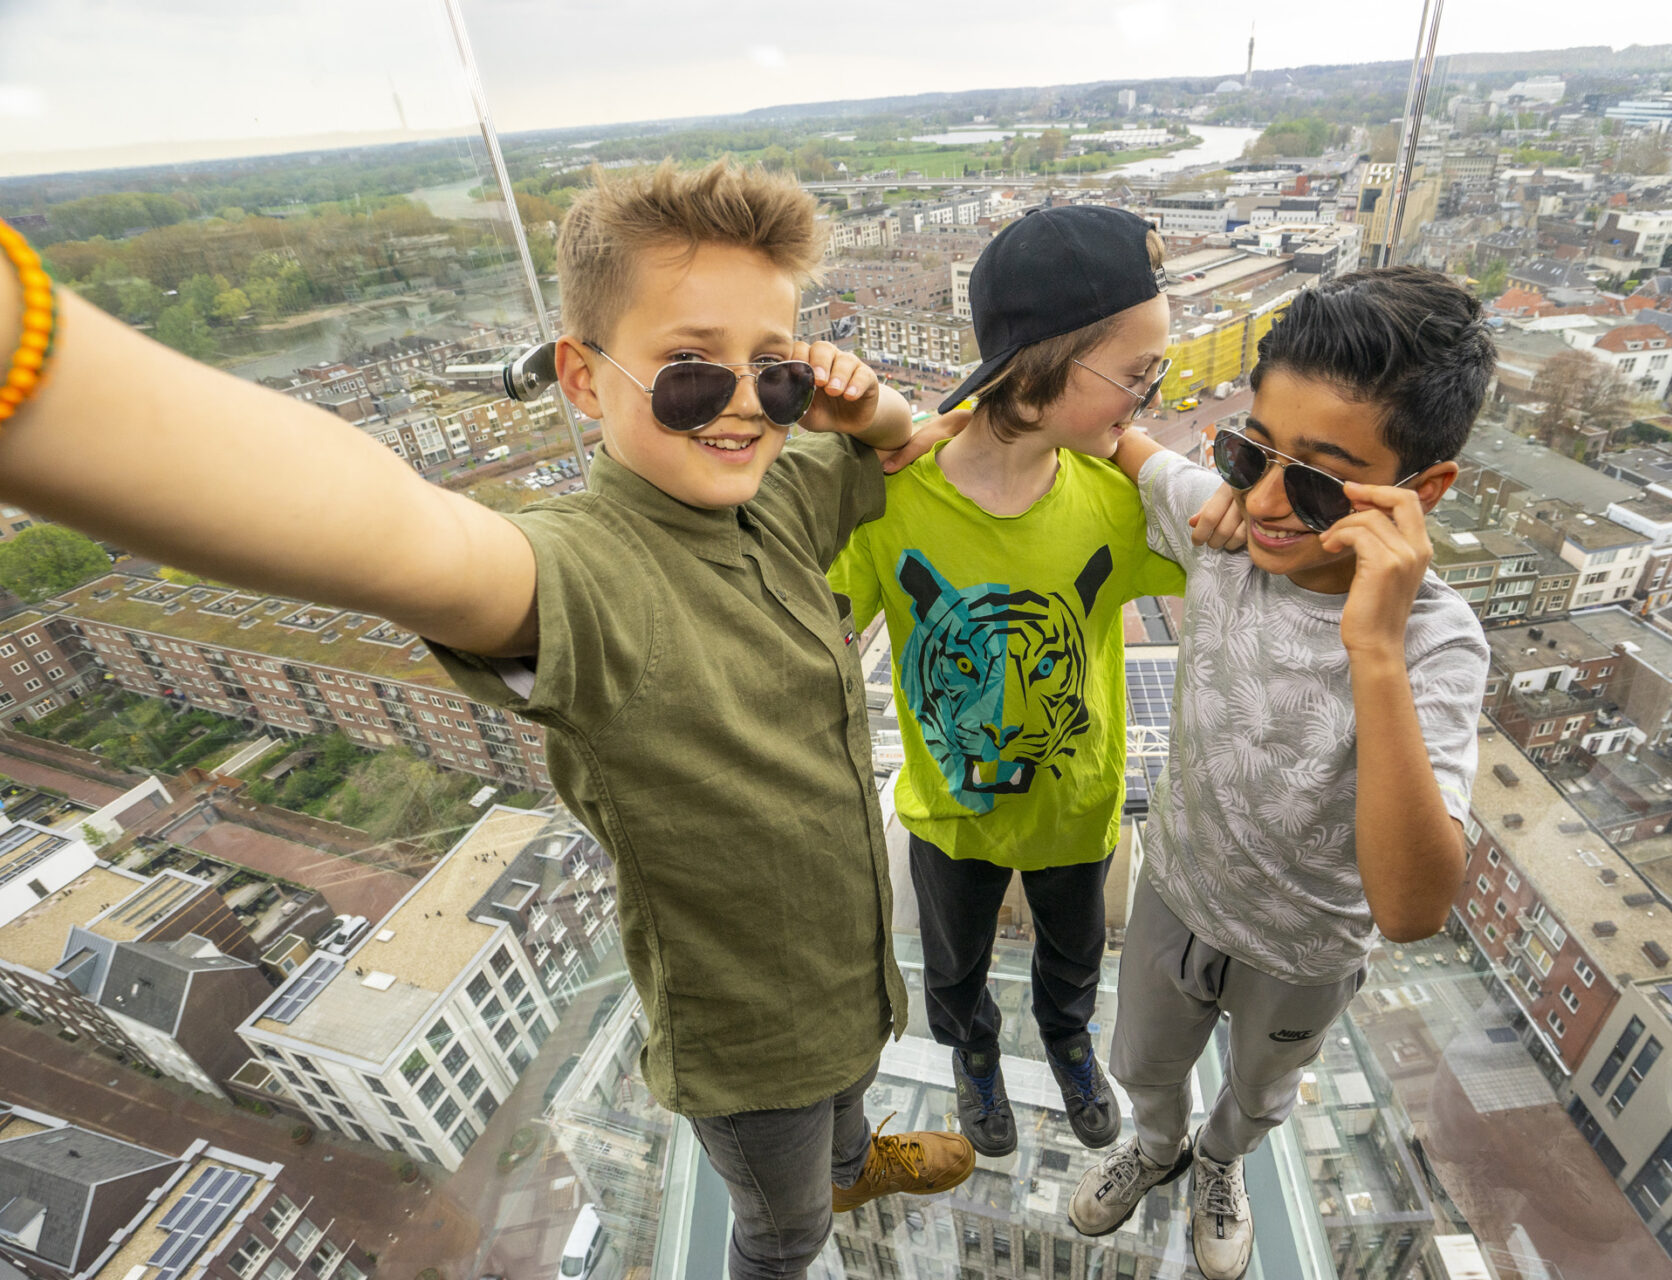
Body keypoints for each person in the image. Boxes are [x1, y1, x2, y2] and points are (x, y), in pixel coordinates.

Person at [0, 159, 975, 1280]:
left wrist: (868, 404)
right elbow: (394, 532)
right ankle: (823, 1191)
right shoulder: (591, 575)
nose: (749, 402)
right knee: (782, 1230)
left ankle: (855, 1158)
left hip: (849, 972)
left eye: (779, 370)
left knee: (845, 1100)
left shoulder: (776, 494)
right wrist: (35, 364)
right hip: (753, 1035)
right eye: (691, 369)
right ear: (580, 377)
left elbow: (901, 444)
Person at [1066, 266, 1495, 1280]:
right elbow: (1113, 437)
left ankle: (1220, 1161)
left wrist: (1374, 646)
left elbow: (1413, 904)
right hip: (1181, 888)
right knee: (1141, 1061)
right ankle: (1157, 1143)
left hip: (1305, 945)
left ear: (1420, 492)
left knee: (1262, 1089)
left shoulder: (1436, 645)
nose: (1263, 499)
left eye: (1313, 476)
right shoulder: (1230, 528)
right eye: (1250, 448)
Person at [830, 207, 1230, 1159]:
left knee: (1073, 961)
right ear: (1046, 362)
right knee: (954, 969)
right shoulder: (889, 506)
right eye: (1137, 374)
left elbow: (1235, 538)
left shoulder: (1115, 506)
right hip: (948, 815)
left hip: (1077, 812)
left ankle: (1066, 1044)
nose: (1152, 392)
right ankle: (972, 1056)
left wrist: (1133, 444)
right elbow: (813, 624)